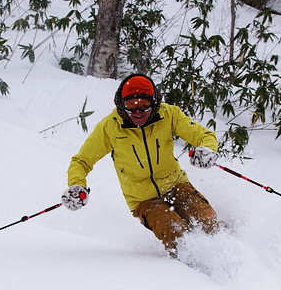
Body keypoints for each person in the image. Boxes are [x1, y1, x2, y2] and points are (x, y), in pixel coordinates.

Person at [62, 73, 225, 257]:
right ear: (121, 105)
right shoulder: (110, 127)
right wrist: (77, 184)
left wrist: (207, 149)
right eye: (131, 105)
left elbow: (205, 136)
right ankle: (192, 272)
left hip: (177, 185)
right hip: (144, 200)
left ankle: (232, 254)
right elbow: (81, 161)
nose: (138, 111)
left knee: (208, 222)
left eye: (144, 105)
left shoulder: (169, 114)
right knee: (177, 232)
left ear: (154, 102)